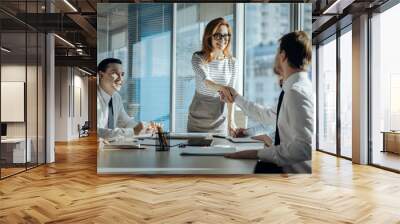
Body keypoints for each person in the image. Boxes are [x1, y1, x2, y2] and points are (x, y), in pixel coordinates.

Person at [221, 31, 313, 173]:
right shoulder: (292, 89)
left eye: (277, 52)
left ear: (283, 55)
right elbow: (270, 115)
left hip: (291, 175)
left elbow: (303, 149)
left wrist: (256, 154)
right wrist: (237, 98)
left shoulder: (296, 92)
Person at [187, 17, 238, 135]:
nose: (223, 39)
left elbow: (230, 96)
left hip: (219, 120)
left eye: (226, 35)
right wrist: (223, 88)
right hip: (197, 119)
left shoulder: (233, 62)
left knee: (219, 152)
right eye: (218, 35)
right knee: (193, 153)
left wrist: (231, 121)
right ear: (209, 36)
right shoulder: (198, 58)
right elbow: (207, 82)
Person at [97, 58, 157, 139]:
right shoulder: (92, 97)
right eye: (114, 73)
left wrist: (144, 128)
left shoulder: (116, 97)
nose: (120, 79)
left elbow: (125, 122)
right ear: (101, 75)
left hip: (110, 146)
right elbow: (98, 132)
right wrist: (133, 131)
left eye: (122, 74)